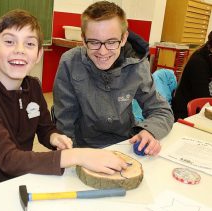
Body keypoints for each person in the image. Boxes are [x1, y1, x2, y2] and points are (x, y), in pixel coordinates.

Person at [0, 9, 128, 193]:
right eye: (9, 42)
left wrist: (54, 137)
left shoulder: (32, 86)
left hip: (22, 178)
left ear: (39, 54)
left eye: (30, 44)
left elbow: (44, 128)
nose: (19, 50)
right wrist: (77, 156)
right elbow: (9, 160)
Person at [53, 1, 174, 155]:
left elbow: (161, 110)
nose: (103, 52)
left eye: (111, 42)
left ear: (123, 38)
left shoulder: (137, 65)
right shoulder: (69, 62)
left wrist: (149, 131)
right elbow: (65, 121)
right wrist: (73, 156)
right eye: (94, 42)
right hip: (84, 148)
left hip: (126, 144)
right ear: (83, 39)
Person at [172, 31, 212, 121]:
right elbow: (204, 99)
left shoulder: (208, 57)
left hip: (202, 113)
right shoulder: (199, 62)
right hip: (186, 115)